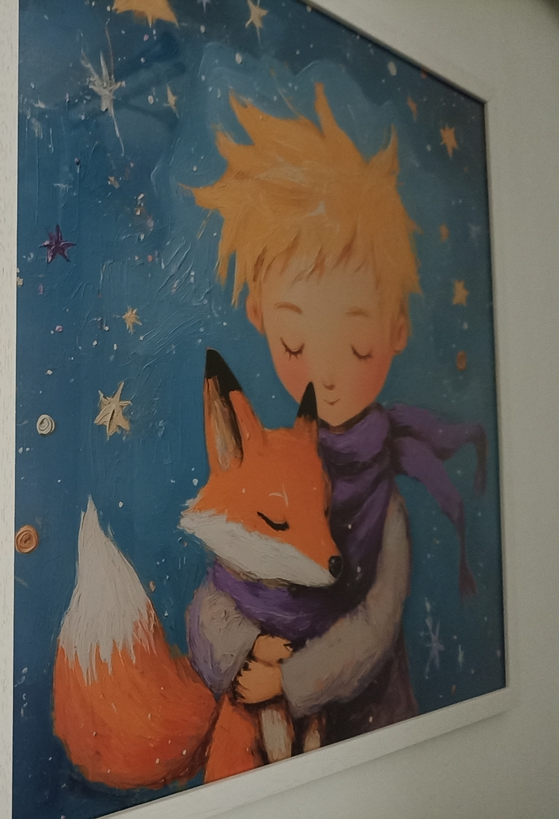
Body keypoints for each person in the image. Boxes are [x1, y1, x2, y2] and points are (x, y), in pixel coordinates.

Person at [187, 84, 486, 744]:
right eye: (295, 343)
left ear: (396, 329)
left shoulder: (387, 502)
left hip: (374, 736)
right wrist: (244, 651)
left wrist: (291, 681)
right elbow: (216, 593)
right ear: (261, 316)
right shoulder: (274, 459)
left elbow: (376, 624)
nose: (325, 374)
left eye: (356, 345)